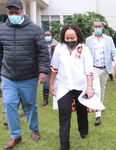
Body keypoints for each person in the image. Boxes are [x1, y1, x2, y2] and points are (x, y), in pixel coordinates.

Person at [0, 0, 50, 149]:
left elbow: (43, 52)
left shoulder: (34, 29)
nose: (14, 15)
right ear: (7, 13)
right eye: (11, 12)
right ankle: (15, 135)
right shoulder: (2, 29)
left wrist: (43, 71)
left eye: (16, 12)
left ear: (22, 11)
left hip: (29, 76)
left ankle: (34, 129)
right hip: (8, 76)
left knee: (30, 105)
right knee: (9, 104)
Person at [49, 24, 94, 150]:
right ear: (63, 38)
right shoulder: (59, 48)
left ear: (78, 37)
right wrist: (51, 84)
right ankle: (64, 145)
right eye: (67, 38)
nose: (70, 41)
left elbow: (89, 70)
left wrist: (89, 87)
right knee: (64, 115)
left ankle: (83, 130)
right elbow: (54, 67)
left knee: (81, 110)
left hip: (81, 85)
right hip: (63, 86)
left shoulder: (84, 49)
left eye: (72, 38)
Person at [86, 20, 116, 126]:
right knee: (97, 90)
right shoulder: (89, 40)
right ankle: (98, 115)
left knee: (102, 88)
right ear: (93, 27)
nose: (97, 28)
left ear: (102, 27)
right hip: (94, 68)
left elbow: (114, 52)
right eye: (96, 26)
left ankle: (99, 105)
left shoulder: (109, 40)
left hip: (105, 69)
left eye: (99, 26)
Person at [41, 31, 58, 107]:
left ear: (52, 36)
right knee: (46, 84)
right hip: (46, 66)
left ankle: (58, 98)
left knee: (57, 83)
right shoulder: (41, 44)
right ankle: (45, 100)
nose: (47, 36)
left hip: (55, 66)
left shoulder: (57, 45)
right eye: (46, 35)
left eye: (49, 35)